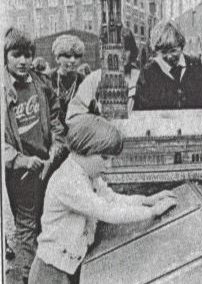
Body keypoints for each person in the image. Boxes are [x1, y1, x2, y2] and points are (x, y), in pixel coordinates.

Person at [28, 114, 177, 284]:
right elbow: (107, 211)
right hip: (50, 272)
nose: (109, 165)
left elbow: (111, 199)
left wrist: (147, 200)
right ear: (85, 149)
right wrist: (152, 212)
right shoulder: (69, 181)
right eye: (104, 158)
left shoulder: (87, 174)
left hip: (67, 265)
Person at [3, 27, 66, 284]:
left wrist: (56, 147)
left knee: (46, 225)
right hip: (21, 173)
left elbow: (56, 118)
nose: (23, 61)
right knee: (26, 232)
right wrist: (21, 160)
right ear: (5, 56)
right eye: (16, 55)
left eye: (28, 55)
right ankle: (19, 278)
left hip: (47, 167)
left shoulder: (40, 82)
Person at [66, 27, 140, 121]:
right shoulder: (93, 79)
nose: (122, 54)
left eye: (126, 49)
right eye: (116, 48)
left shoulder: (140, 78)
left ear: (132, 50)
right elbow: (73, 116)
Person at [133, 20, 201, 110]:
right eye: (164, 52)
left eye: (173, 51)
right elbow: (141, 112)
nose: (169, 57)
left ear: (181, 46)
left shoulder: (194, 65)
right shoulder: (147, 74)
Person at [49, 34, 85, 131]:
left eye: (77, 56)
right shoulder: (48, 79)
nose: (73, 60)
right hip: (53, 132)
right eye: (68, 56)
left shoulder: (85, 81)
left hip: (77, 132)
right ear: (57, 58)